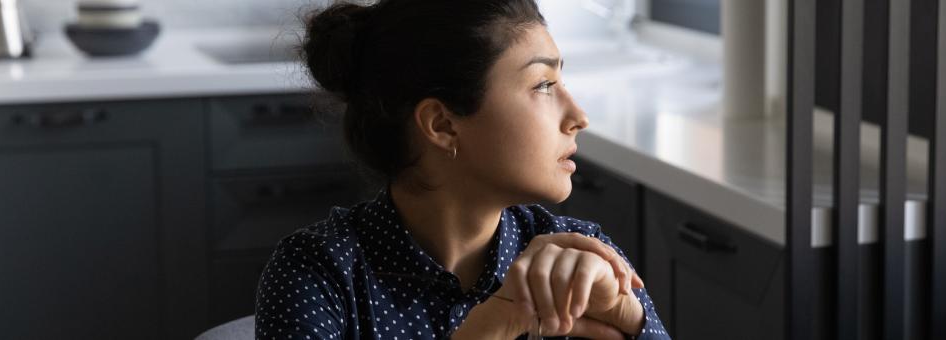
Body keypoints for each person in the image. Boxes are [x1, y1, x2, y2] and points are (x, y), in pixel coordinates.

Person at [254, 0, 669, 339]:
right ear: (443, 125)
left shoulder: (580, 258)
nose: (578, 116)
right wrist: (490, 328)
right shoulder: (317, 273)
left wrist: (626, 318)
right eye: (543, 85)